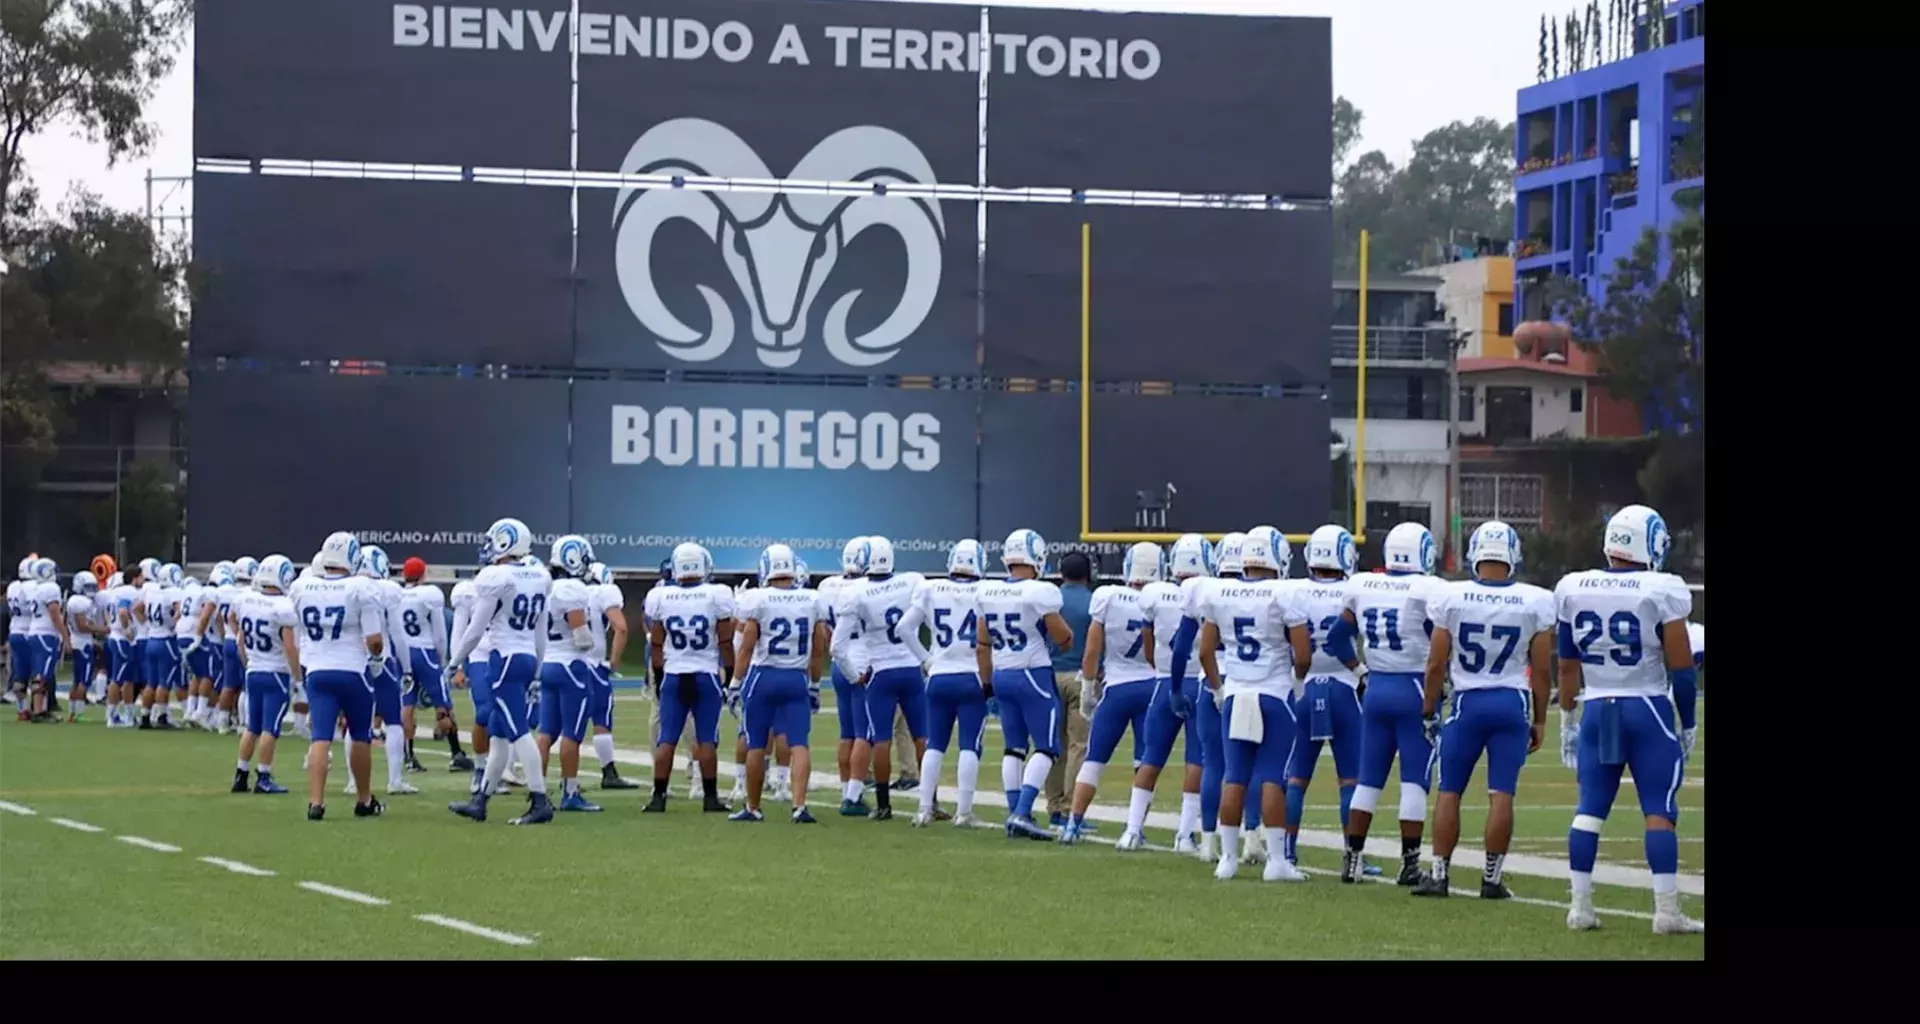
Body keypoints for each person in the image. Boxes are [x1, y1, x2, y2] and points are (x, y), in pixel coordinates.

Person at [1554, 504, 1704, 934]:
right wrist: (1689, 721)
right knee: (1658, 809)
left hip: (1597, 706)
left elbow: (1567, 666)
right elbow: (1681, 669)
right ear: (1652, 541)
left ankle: (1580, 907)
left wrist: (1567, 717)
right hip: (1646, 707)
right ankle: (1666, 911)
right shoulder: (1662, 588)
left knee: (1589, 810)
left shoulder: (1573, 586)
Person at [1411, 521, 1552, 900]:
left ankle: (1439, 875)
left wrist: (1428, 709)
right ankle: (1491, 879)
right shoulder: (1535, 599)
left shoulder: (1452, 597)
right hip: (1511, 703)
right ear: (1514, 556)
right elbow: (1541, 670)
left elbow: (1436, 665)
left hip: (1468, 703)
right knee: (1501, 793)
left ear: (1475, 554)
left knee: (1450, 790)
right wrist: (1539, 718)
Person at [1195, 530, 1311, 882]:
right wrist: (1297, 682)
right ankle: (1276, 861)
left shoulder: (1220, 592)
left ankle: (1227, 859)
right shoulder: (1284, 592)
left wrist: (1218, 687)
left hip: (1236, 693)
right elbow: (1303, 655)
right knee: (1272, 775)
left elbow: (1204, 652)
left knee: (1235, 775)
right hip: (1273, 694)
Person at [1339, 521, 1445, 886]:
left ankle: (1351, 859)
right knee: (1414, 781)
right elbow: (1439, 642)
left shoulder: (1364, 584)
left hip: (1377, 687)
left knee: (1368, 780)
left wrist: (1360, 671)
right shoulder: (1427, 589)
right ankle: (1410, 863)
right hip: (1413, 687)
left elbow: (1338, 637)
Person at [447, 518, 557, 825]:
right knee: (498, 734)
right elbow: (540, 633)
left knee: (519, 732)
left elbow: (475, 630)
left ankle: (539, 800)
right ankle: (480, 800)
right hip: (524, 658)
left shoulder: (496, 576)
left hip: (504, 659)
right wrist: (536, 668)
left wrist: (455, 662)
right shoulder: (538, 575)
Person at [975, 529, 1075, 840]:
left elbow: (981, 644)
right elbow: (1064, 638)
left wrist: (987, 684)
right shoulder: (1039, 591)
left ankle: (1015, 810)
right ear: (1037, 558)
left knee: (1014, 747)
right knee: (1047, 746)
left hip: (1002, 674)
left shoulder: (987, 592)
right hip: (1032, 673)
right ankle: (1022, 811)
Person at [1061, 542, 1163, 845]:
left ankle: (1072, 825)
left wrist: (1089, 689)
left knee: (1094, 759)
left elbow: (1092, 650)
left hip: (1116, 689)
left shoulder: (1109, 596)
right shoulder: (1165, 598)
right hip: (1150, 687)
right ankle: (1133, 831)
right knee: (1144, 762)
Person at [1281, 525, 1368, 870]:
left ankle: (1286, 850)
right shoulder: (1355, 589)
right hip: (1346, 688)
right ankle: (1353, 856)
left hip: (1302, 686)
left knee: (1297, 776)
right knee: (1350, 778)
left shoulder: (1291, 590)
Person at [828, 535, 930, 821]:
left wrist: (854, 675)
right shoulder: (912, 581)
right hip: (911, 669)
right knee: (922, 736)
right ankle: (930, 803)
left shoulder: (855, 591)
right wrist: (927, 658)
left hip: (879, 671)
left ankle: (884, 805)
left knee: (879, 739)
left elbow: (836, 646)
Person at [1124, 534, 1212, 853]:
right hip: (1199, 683)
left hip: (1165, 683)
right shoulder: (1210, 594)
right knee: (1196, 760)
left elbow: (1149, 649)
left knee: (1152, 757)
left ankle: (1132, 830)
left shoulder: (1154, 594)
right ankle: (1184, 836)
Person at [291, 532, 388, 821]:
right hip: (352, 671)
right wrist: (378, 658)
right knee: (360, 735)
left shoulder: (302, 586)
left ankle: (316, 803)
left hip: (318, 672)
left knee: (320, 737)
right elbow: (374, 639)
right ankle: (363, 799)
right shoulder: (361, 587)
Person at [1166, 531, 1248, 862]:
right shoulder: (1272, 592)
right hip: (1250, 682)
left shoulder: (1203, 589)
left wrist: (1174, 688)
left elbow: (1183, 646)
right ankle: (1253, 837)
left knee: (1212, 764)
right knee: (1251, 766)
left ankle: (1210, 842)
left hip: (1210, 681)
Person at [730, 543, 827, 822]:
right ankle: (799, 806)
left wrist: (736, 683)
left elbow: (746, 648)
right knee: (799, 743)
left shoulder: (757, 599)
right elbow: (819, 647)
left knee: (757, 744)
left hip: (763, 677)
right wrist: (815, 684)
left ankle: (752, 807)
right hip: (796, 677)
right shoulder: (811, 599)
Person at [898, 540, 987, 827]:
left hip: (939, 675)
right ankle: (964, 812)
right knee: (969, 745)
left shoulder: (930, 587)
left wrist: (926, 660)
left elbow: (903, 628)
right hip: (972, 675)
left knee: (935, 743)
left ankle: (924, 809)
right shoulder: (986, 591)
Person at [640, 542, 734, 814]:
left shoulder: (662, 596)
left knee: (667, 737)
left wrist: (658, 677)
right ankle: (710, 798)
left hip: (674, 674)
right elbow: (725, 642)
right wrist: (729, 679)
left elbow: (657, 645)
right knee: (706, 738)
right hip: (705, 675)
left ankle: (658, 797)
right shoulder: (717, 594)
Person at [537, 535, 604, 812]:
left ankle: (536, 789)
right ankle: (570, 792)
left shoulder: (545, 585)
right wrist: (590, 640)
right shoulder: (571, 589)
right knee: (572, 733)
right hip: (570, 666)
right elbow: (581, 636)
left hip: (547, 663)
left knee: (545, 732)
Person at [233, 555, 301, 795]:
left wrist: (247, 662)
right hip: (275, 672)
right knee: (269, 729)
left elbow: (240, 639)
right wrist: (299, 679)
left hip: (254, 670)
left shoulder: (247, 599)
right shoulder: (282, 606)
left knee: (252, 727)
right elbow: (290, 647)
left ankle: (240, 775)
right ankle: (263, 776)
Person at [353, 546, 416, 797]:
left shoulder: (347, 586)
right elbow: (398, 633)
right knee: (393, 721)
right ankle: (395, 781)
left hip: (355, 661)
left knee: (357, 724)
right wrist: (407, 668)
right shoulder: (387, 590)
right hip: (382, 658)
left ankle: (352, 783)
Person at [817, 538, 872, 815]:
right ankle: (853, 796)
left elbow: (828, 632)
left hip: (840, 662)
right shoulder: (869, 587)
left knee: (847, 733)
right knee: (865, 734)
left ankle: (844, 790)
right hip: (863, 663)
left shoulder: (828, 586)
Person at [401, 556, 471, 771]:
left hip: (403, 652)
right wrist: (441, 659)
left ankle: (408, 757)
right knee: (443, 703)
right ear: (423, 574)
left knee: (407, 705)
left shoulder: (397, 594)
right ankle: (456, 753)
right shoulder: (430, 594)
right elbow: (440, 633)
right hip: (425, 652)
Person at [1043, 550, 1096, 828]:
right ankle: (1069, 809)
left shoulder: (1050, 598)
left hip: (1049, 675)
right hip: (1080, 676)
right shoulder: (1092, 601)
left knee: (1054, 746)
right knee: (1079, 746)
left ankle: (1053, 805)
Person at [584, 561, 638, 790]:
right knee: (601, 721)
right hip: (592, 665)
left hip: (560, 664)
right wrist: (614, 661)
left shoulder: (564, 590)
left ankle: (538, 778)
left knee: (554, 726)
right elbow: (621, 628)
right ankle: (608, 772)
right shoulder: (604, 592)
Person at [20, 557, 69, 722]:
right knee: (42, 674)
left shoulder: (37, 587)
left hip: (36, 632)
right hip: (45, 634)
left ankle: (40, 709)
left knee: (40, 672)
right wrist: (66, 637)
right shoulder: (50, 588)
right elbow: (55, 614)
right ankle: (39, 711)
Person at [64, 570, 104, 722]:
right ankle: (78, 714)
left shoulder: (74, 600)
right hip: (82, 644)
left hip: (78, 641)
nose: (92, 590)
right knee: (84, 681)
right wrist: (103, 629)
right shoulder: (80, 602)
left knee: (77, 680)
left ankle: (72, 713)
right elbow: (83, 626)